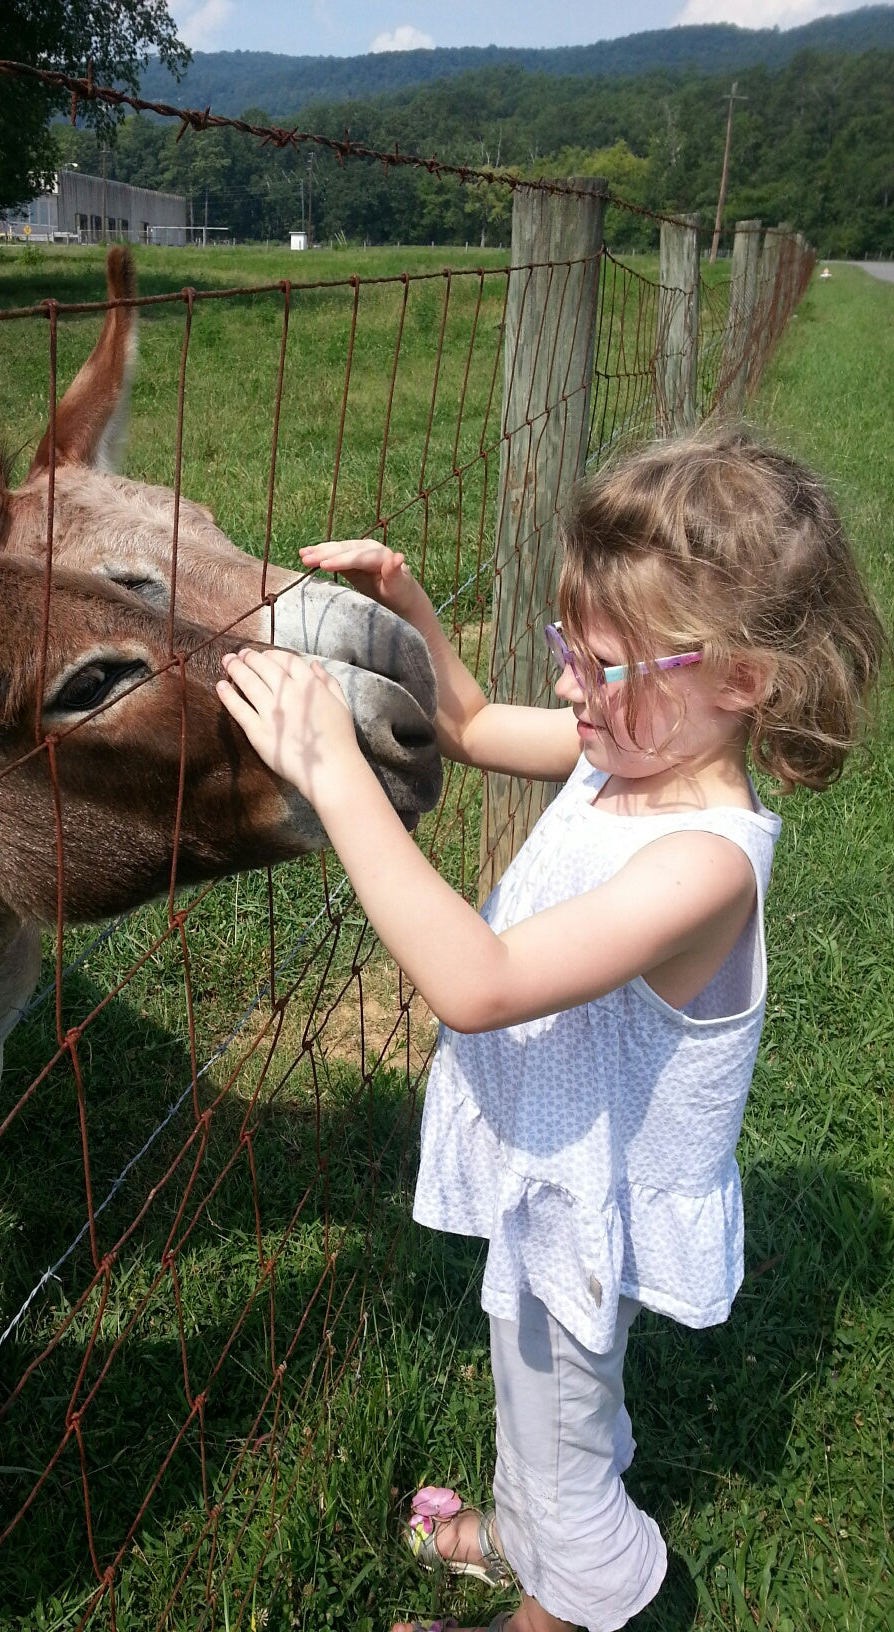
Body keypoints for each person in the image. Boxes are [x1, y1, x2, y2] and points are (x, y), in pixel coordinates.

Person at [216, 430, 886, 1632]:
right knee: (539, 1393)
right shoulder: (622, 750)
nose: (570, 685)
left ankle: (573, 1590)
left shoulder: (703, 864)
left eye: (605, 660)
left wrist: (335, 774)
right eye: (565, 647)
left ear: (741, 680)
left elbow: (477, 982)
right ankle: (525, 1526)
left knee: (562, 1425)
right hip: (555, 1181)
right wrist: (407, 598)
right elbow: (469, 724)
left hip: (594, 1212)